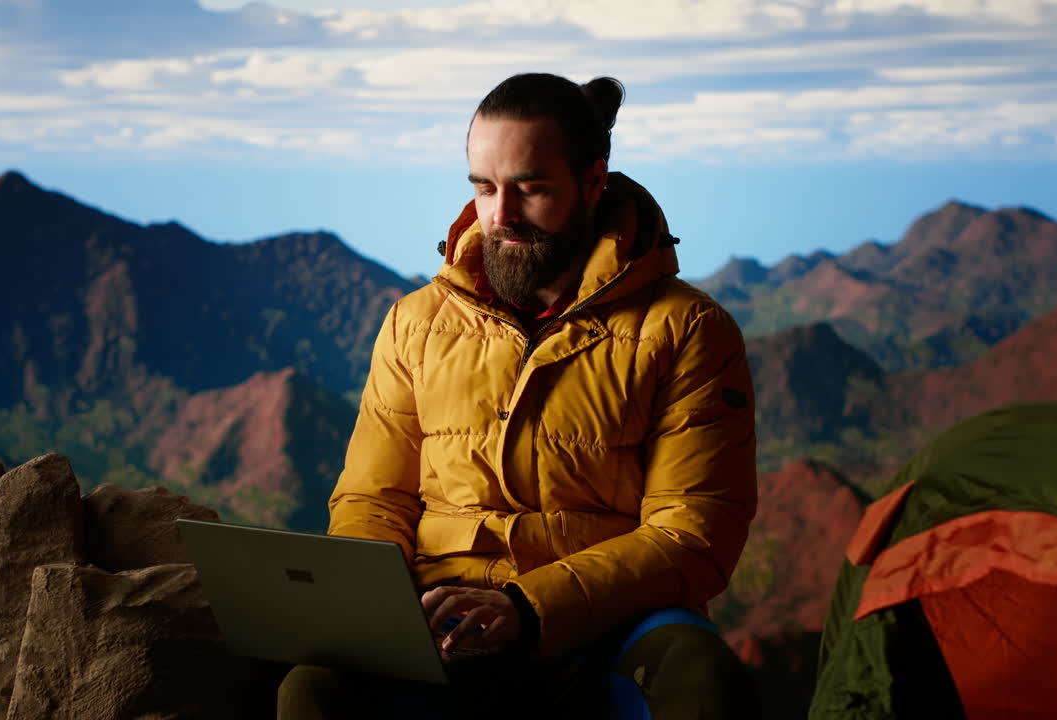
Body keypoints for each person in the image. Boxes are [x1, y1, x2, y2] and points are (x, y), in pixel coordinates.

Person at [278, 72, 759, 719]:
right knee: (312, 686)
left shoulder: (688, 330)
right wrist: (387, 607)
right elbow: (373, 497)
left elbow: (694, 532)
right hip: (439, 613)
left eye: (530, 189)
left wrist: (529, 610)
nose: (500, 215)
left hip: (608, 624)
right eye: (484, 187)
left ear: (592, 184)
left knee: (700, 676)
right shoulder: (415, 323)